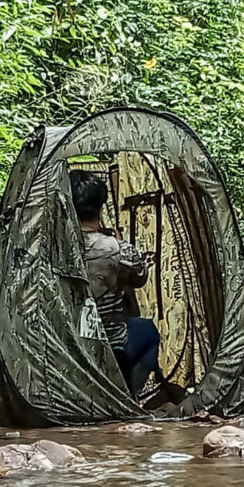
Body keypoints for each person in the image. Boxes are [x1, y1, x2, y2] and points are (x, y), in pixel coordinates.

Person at [70, 169, 161, 396]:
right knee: (149, 331)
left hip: (66, 344)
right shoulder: (120, 250)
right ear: (100, 207)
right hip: (111, 344)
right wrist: (118, 243)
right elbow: (140, 279)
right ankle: (129, 394)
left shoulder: (54, 248)